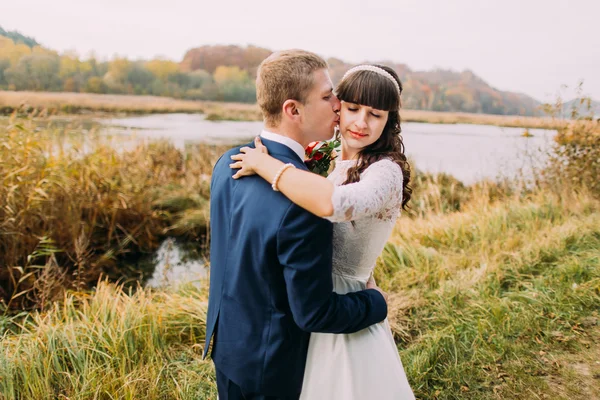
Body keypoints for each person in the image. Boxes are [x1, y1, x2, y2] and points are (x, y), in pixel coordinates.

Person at [204, 50, 389, 400]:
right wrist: (376, 303)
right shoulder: (305, 203)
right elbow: (316, 313)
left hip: (228, 350)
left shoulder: (227, 162)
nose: (338, 105)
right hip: (272, 371)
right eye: (326, 96)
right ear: (293, 109)